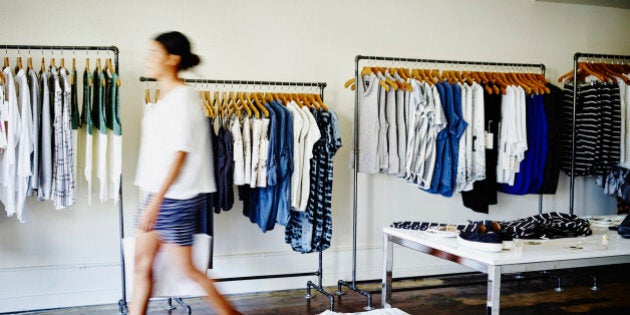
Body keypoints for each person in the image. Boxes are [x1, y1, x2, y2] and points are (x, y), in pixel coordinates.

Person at [131, 31, 241, 315]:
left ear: (172, 59)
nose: (149, 59)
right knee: (142, 265)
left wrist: (156, 202)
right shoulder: (165, 98)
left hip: (175, 197)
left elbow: (179, 154)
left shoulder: (183, 98)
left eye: (155, 53)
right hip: (160, 194)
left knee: (188, 271)